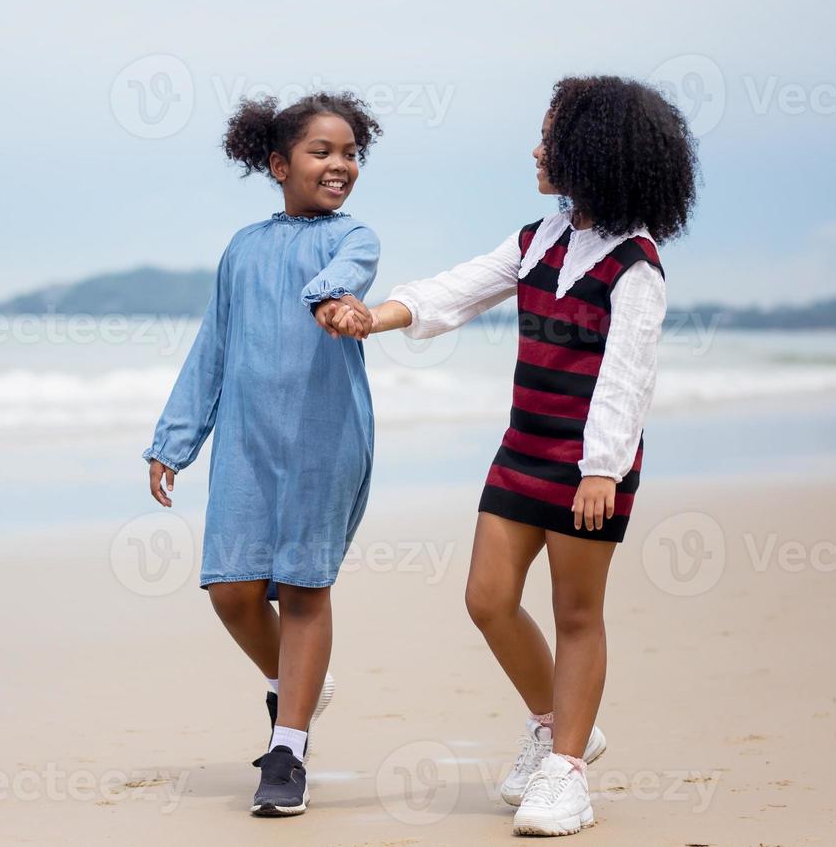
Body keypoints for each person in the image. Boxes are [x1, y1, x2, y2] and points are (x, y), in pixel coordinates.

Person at [333, 75, 698, 836]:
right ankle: (555, 726)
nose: (536, 149)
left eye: (550, 137)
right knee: (487, 599)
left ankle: (566, 774)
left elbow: (628, 377)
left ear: (593, 153)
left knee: (575, 614)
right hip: (521, 450)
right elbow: (454, 292)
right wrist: (373, 319)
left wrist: (601, 467)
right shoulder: (538, 240)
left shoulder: (635, 264)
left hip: (589, 465)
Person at [143, 91, 383, 817]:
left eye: (350, 153)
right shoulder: (242, 248)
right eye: (322, 152)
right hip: (246, 443)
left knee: (306, 588)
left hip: (325, 436)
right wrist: (174, 440)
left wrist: (329, 299)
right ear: (278, 164)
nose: (339, 165)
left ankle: (288, 752)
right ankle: (296, 681)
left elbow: (343, 277)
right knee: (231, 589)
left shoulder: (356, 236)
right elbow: (212, 346)